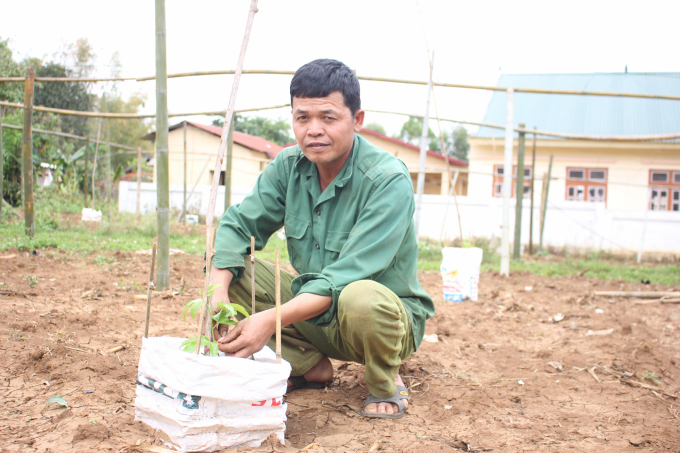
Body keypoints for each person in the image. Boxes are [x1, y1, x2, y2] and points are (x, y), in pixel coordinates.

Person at [210, 58, 434, 419]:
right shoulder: (288, 166)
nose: (314, 130)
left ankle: (384, 383)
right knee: (235, 271)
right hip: (314, 314)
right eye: (303, 118)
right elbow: (238, 228)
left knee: (359, 295)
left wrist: (268, 320)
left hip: (378, 322)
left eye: (328, 118)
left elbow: (343, 278)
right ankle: (308, 365)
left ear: (357, 120)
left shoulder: (387, 180)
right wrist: (217, 294)